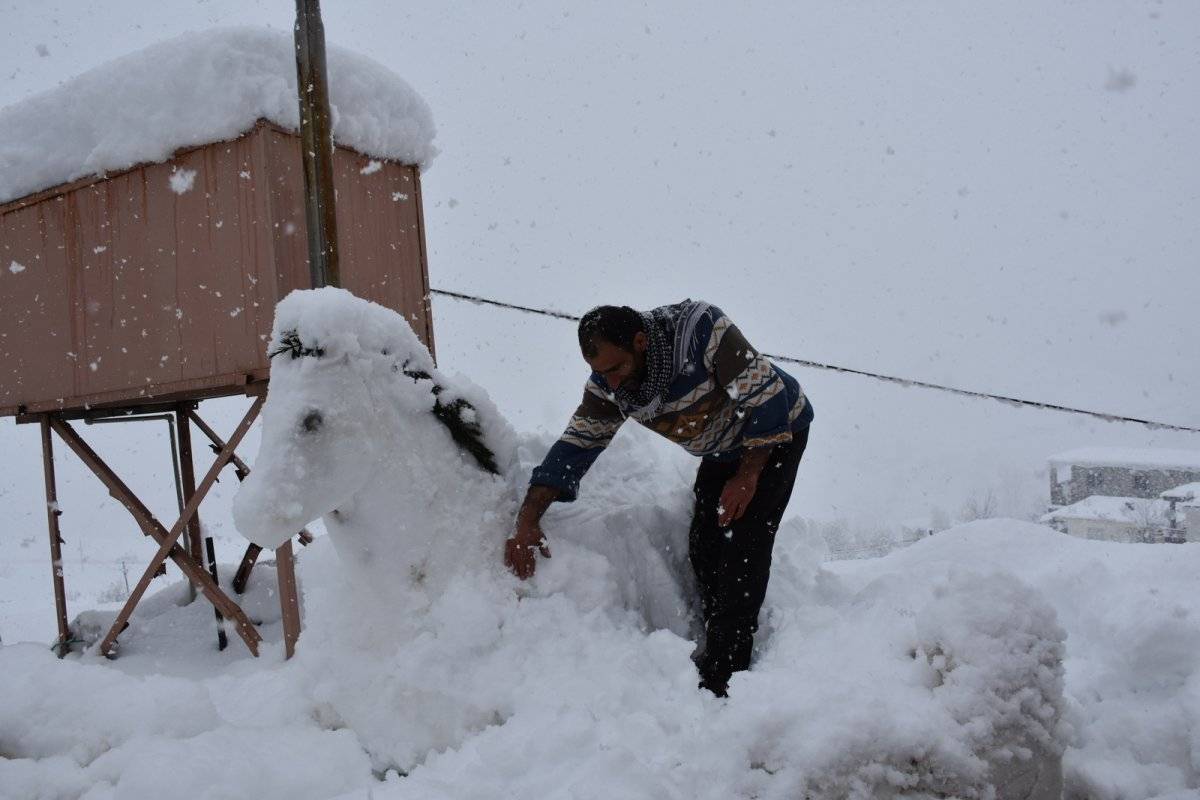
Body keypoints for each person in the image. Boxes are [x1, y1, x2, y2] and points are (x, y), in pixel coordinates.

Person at [504, 300, 813, 697]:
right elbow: (577, 445)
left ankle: (726, 679)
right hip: (721, 449)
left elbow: (766, 399)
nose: (611, 382)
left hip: (774, 434)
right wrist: (528, 519)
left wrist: (748, 476)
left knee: (744, 550)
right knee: (705, 546)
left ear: (640, 342)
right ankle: (717, 635)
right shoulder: (612, 386)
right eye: (600, 373)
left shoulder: (701, 332)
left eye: (615, 368)